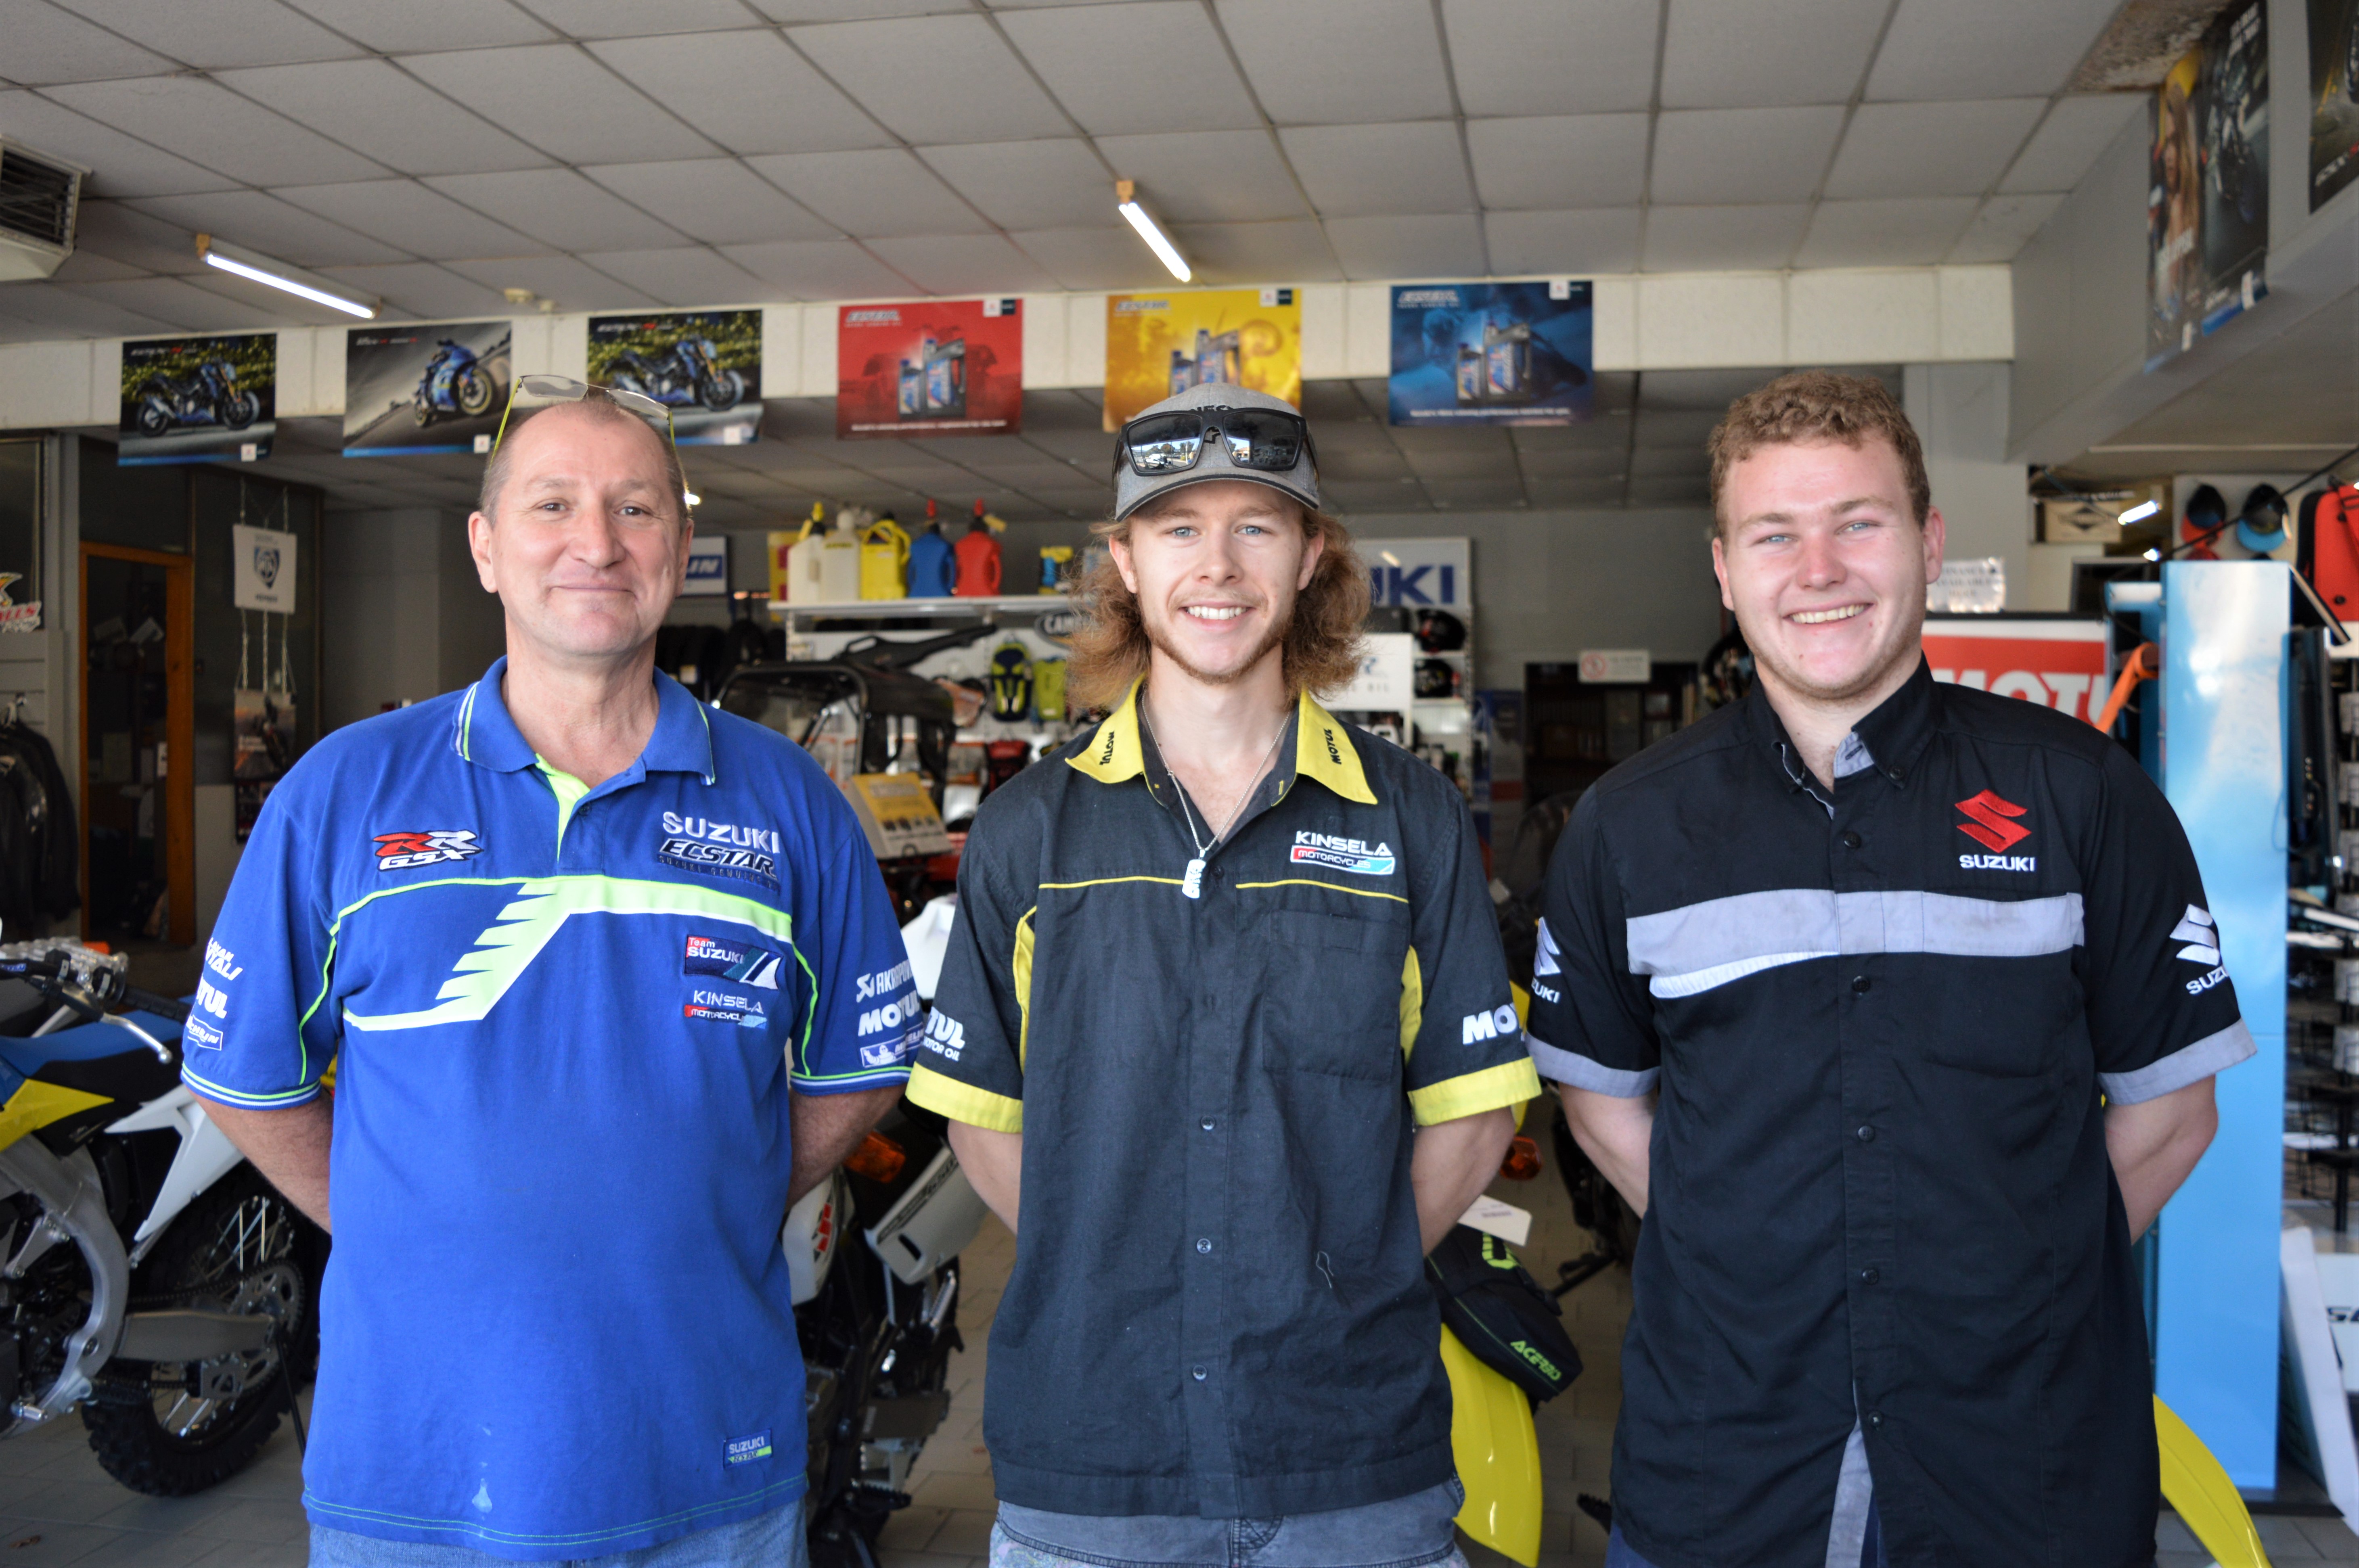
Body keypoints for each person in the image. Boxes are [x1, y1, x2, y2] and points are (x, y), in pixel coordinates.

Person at [186, 380, 921, 1566]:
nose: (597, 543)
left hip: (708, 1474)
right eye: (553, 505)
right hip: (416, 1474)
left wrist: (717, 1193)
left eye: (636, 508)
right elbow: (242, 1070)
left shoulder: (791, 805)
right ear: (485, 548)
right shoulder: (343, 791)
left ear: (679, 548)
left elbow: (863, 1064)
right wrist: (404, 1219)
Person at [1528, 371, 2249, 1568]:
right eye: (1775, 535)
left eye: (1857, 523)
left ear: (1928, 543)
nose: (1819, 570)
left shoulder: (2083, 795)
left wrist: (2014, 1273)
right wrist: (1751, 1253)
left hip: (2026, 1483)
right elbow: (1601, 1105)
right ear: (1725, 570)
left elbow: (2173, 1113)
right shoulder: (1627, 828)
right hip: (1726, 1478)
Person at [905, 382, 1540, 1568]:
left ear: (1310, 557)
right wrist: (1109, 1254)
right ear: (1126, 562)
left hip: (1352, 1454)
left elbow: (1474, 1112)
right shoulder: (1029, 830)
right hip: (1094, 1456)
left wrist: (1332, 1277)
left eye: (1257, 525)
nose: (1219, 565)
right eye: (1179, 528)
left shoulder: (1410, 819)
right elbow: (985, 1117)